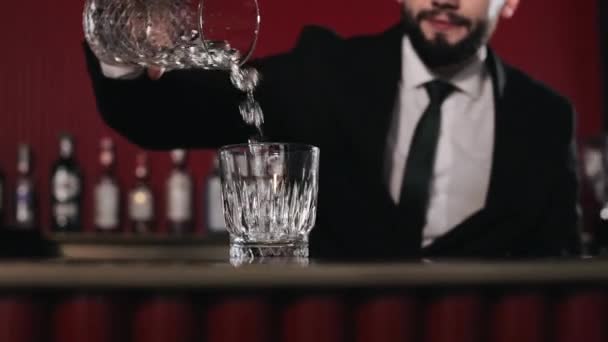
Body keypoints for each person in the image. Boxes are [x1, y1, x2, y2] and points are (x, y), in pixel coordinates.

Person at [84, 0, 581, 259]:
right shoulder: (322, 74)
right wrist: (121, 38)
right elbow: (152, 115)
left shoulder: (544, 119)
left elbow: (561, 277)